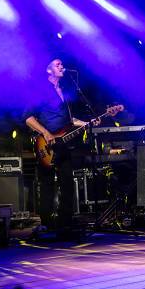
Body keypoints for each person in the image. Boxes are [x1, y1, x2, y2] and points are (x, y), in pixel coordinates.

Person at [24, 59, 98, 238]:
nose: (62, 66)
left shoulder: (65, 91)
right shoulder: (39, 90)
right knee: (47, 183)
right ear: (48, 69)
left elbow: (70, 121)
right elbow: (28, 118)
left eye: (61, 64)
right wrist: (46, 133)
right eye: (57, 64)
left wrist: (88, 123)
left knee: (67, 182)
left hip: (64, 144)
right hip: (46, 144)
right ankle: (47, 222)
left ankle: (65, 221)